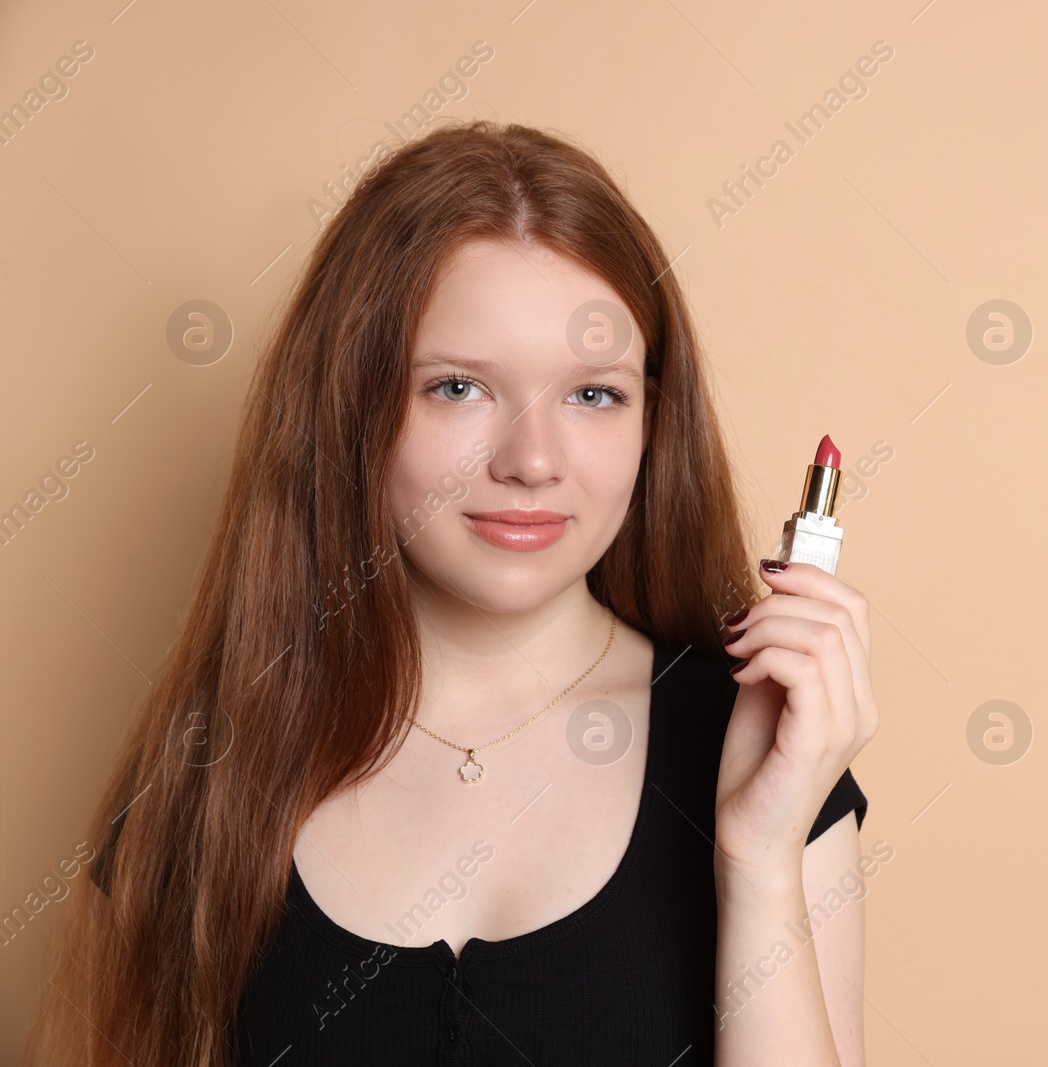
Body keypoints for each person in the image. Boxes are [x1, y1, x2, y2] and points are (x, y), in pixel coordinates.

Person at [28, 120, 879, 1066]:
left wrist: (759, 862)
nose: (533, 461)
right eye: (460, 388)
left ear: (653, 417)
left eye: (593, 394)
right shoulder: (208, 769)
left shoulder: (760, 752)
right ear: (352, 405)